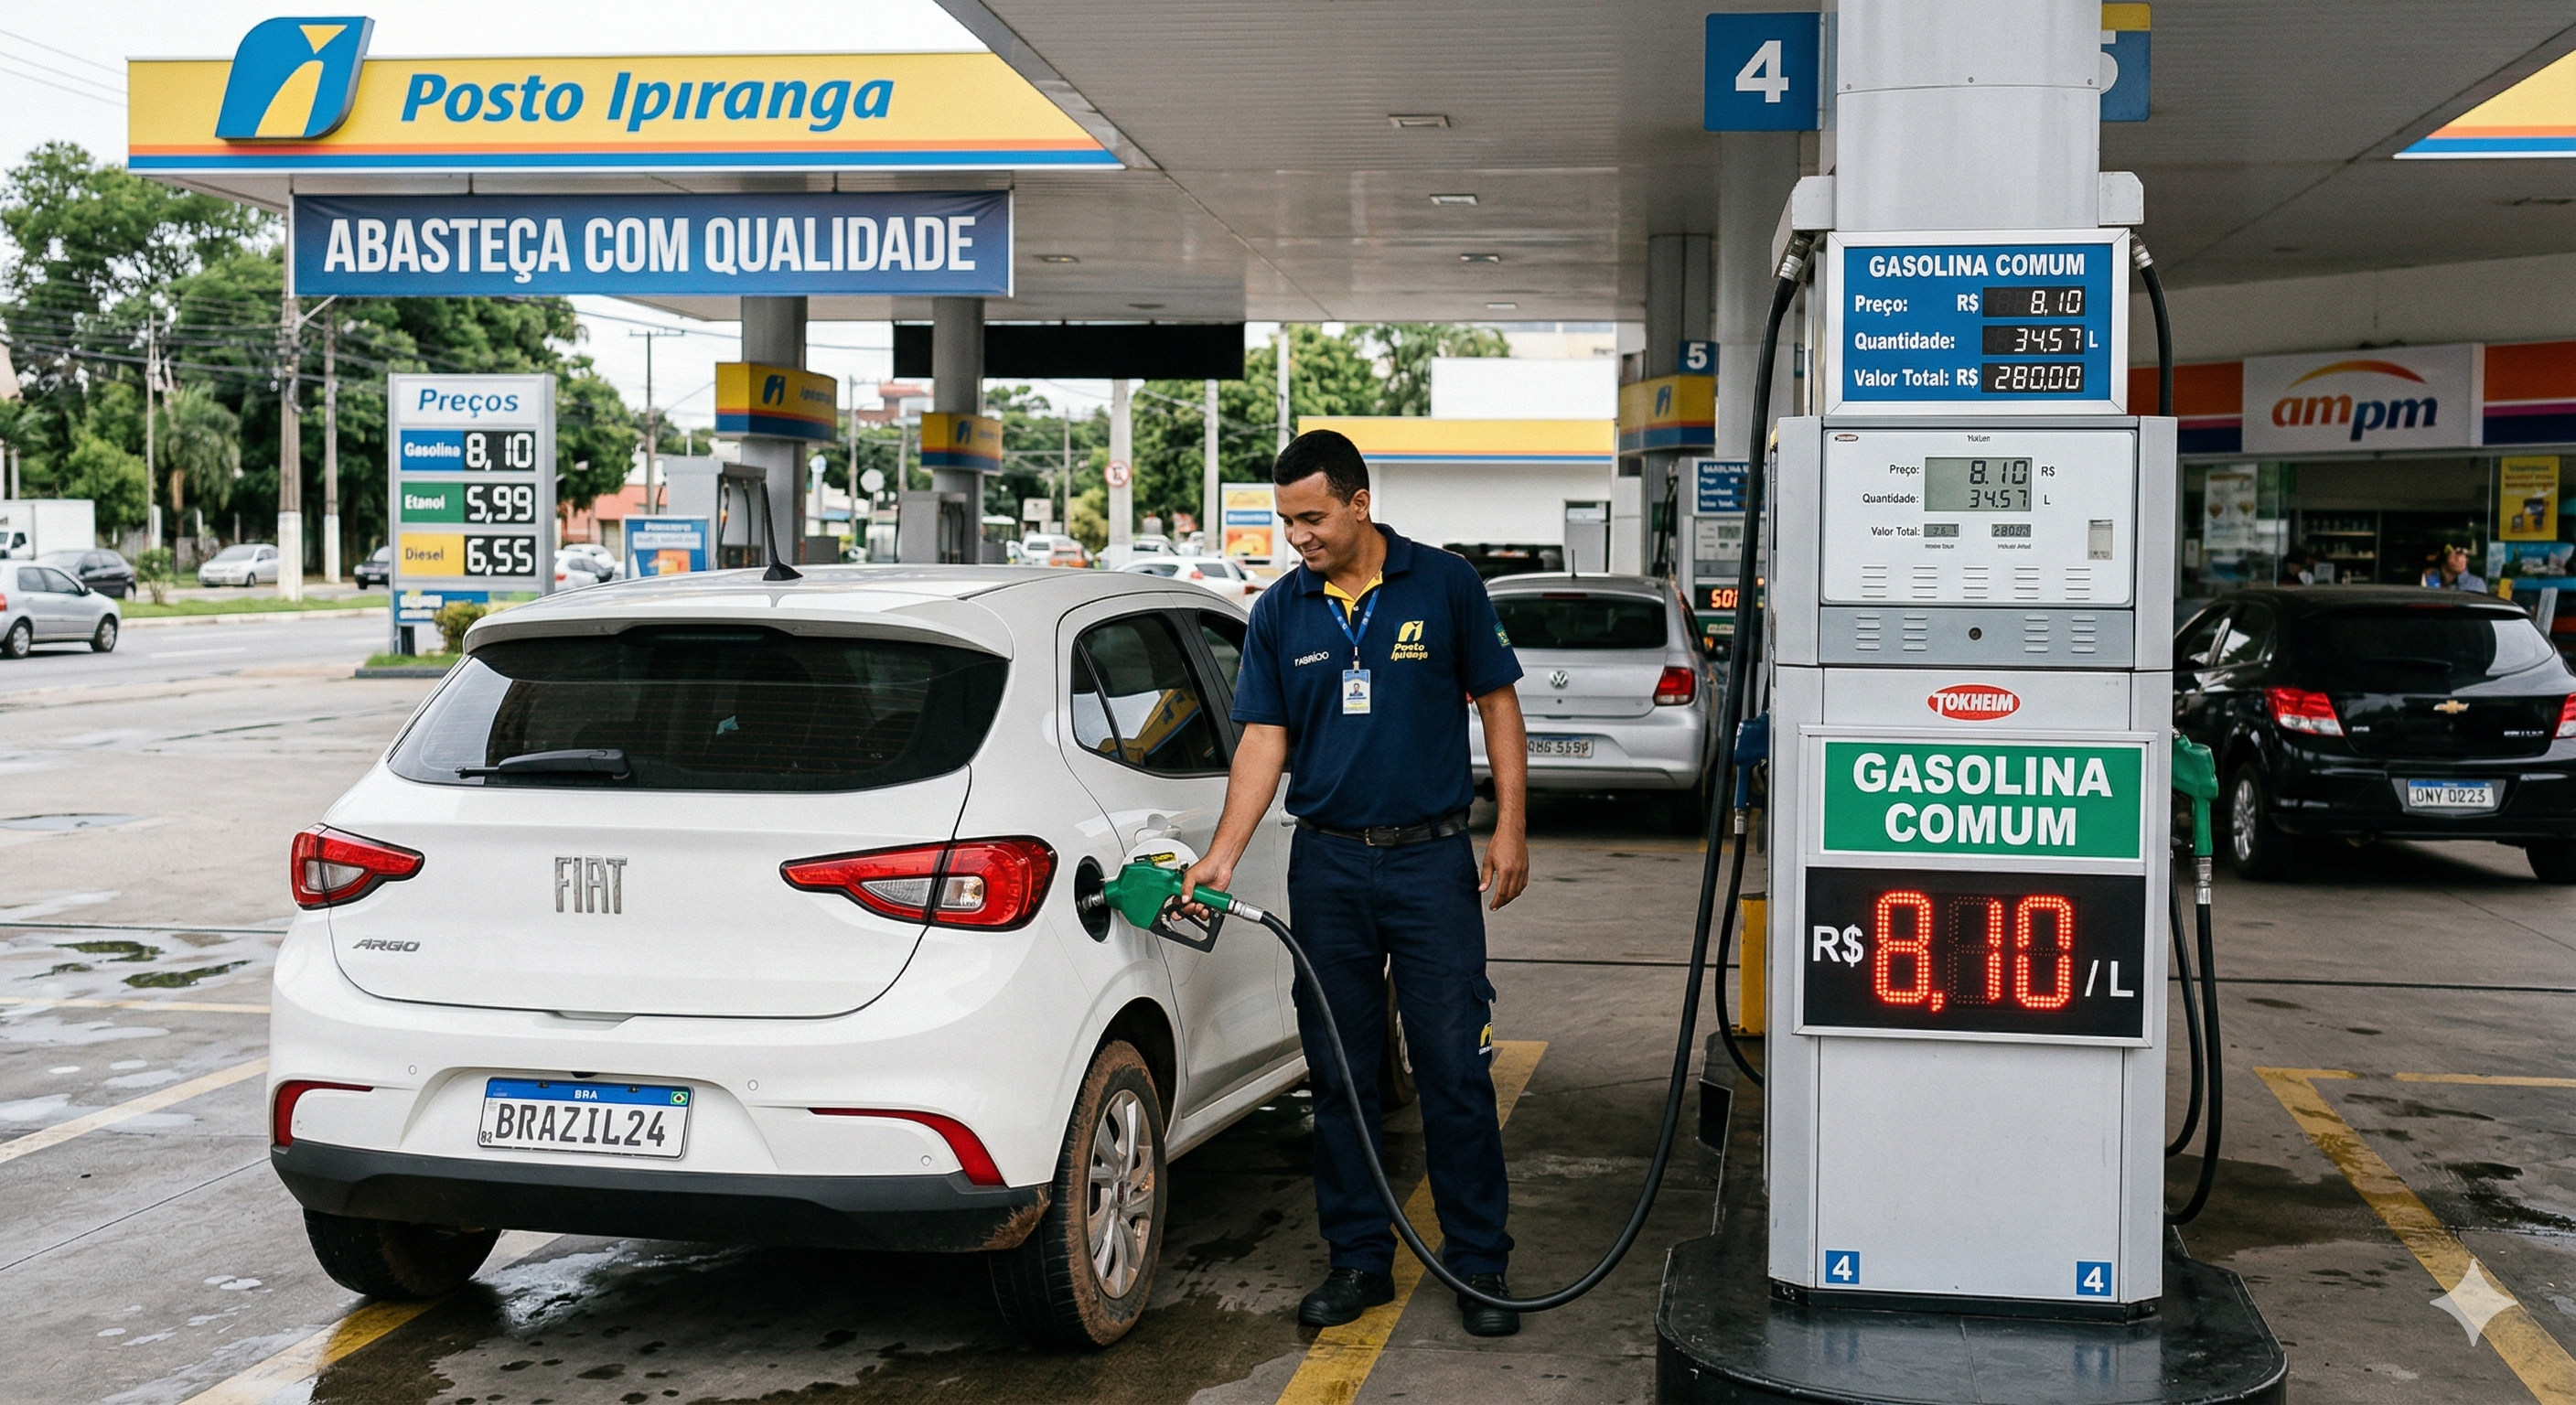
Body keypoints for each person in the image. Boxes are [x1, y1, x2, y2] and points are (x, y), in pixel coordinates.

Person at [1181, 428, 1532, 1337]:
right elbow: (1263, 738)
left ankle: (1479, 1264)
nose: (1297, 536)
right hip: (1328, 864)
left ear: (1357, 501)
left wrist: (1512, 831)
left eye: (1311, 517)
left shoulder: (1444, 585)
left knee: (1455, 1065)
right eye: (1285, 520)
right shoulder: (1279, 611)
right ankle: (1357, 1260)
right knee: (1338, 1074)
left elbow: (1498, 702)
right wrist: (1221, 852)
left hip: (1428, 861)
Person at [2422, 543, 2487, 592]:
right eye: (2458, 552)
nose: (2461, 557)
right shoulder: (2430, 576)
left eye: (2464, 555)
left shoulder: (2476, 583)